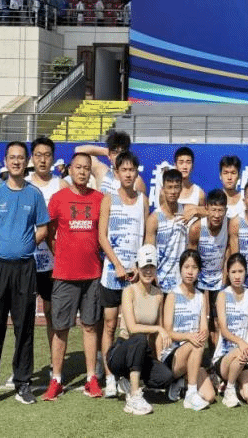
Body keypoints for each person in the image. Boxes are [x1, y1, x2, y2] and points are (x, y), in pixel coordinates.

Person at [0, 141, 50, 408]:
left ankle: (23, 383)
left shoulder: (34, 195)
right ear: (6, 161)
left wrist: (26, 245)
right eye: (12, 157)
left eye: (20, 157)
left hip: (25, 269)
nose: (16, 161)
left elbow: (43, 229)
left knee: (24, 328)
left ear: (26, 162)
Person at [43, 152, 104, 401]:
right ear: (70, 169)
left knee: (90, 326)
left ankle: (91, 378)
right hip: (64, 275)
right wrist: (60, 254)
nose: (82, 172)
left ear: (90, 172)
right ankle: (56, 379)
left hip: (92, 274)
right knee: (60, 329)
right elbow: (49, 233)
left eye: (86, 168)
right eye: (78, 167)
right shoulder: (58, 199)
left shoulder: (99, 199)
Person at [98, 151, 149, 398]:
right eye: (124, 170)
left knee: (131, 328)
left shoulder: (143, 200)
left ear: (137, 172)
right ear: (116, 173)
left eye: (132, 170)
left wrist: (138, 266)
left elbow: (146, 236)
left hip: (135, 276)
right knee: (109, 325)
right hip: (111, 274)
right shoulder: (108, 199)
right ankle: (109, 376)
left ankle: (128, 375)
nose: (128, 174)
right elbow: (102, 236)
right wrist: (117, 265)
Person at [106, 244, 173, 415]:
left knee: (165, 377)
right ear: (137, 268)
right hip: (121, 352)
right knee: (140, 337)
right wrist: (158, 328)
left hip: (142, 352)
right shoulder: (129, 291)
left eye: (152, 267)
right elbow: (132, 328)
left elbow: (156, 336)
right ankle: (134, 397)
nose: (148, 271)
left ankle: (129, 381)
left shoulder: (159, 294)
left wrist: (157, 359)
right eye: (144, 267)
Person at [162, 249, 216, 411]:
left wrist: (200, 335)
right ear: (180, 269)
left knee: (210, 396)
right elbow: (168, 332)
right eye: (186, 267)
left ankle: (182, 382)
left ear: (199, 271)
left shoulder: (200, 297)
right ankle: (190, 394)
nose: (190, 272)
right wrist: (189, 336)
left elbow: (204, 328)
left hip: (194, 350)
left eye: (194, 268)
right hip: (173, 356)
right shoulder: (172, 295)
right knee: (197, 343)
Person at [27, 137, 66, 363]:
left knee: (52, 315)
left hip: (53, 262)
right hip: (26, 259)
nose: (43, 160)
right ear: (32, 157)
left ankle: (54, 364)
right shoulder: (23, 184)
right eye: (38, 155)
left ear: (53, 158)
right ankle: (23, 368)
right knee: (24, 316)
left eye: (47, 155)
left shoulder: (61, 185)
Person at [213, 253, 248, 408]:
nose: (237, 276)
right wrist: (241, 343)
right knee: (240, 351)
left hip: (245, 356)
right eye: (233, 272)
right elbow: (223, 330)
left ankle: (233, 384)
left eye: (240, 271)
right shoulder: (222, 295)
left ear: (246, 272)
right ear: (228, 273)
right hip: (225, 357)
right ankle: (229, 388)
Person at [188, 189, 229, 345]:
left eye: (220, 210)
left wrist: (224, 282)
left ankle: (215, 355)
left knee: (217, 321)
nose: (217, 215)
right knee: (196, 320)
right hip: (199, 279)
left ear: (226, 210)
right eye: (213, 210)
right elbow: (191, 258)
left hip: (219, 278)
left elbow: (228, 256)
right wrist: (192, 284)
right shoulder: (197, 228)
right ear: (206, 209)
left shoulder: (229, 225)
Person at [146, 169, 191, 293]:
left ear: (181, 188)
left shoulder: (187, 210)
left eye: (176, 187)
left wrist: (197, 211)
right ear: (163, 189)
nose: (173, 191)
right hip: (160, 282)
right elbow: (149, 250)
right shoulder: (154, 218)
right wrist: (152, 275)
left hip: (182, 282)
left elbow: (209, 210)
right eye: (169, 187)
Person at [77, 130, 147, 195]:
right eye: (115, 153)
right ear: (109, 155)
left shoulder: (136, 181)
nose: (118, 156)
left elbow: (142, 202)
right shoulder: (102, 172)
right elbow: (78, 150)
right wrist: (107, 151)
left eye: (121, 153)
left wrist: (113, 152)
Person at [173, 147, 205, 219]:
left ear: (192, 166)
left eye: (188, 162)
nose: (185, 167)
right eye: (181, 163)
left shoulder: (199, 193)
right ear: (175, 165)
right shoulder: (167, 191)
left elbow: (204, 217)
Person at [219, 155, 244, 219]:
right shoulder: (214, 200)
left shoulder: (245, 200)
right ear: (220, 176)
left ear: (239, 176)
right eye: (226, 173)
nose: (229, 177)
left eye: (233, 173)